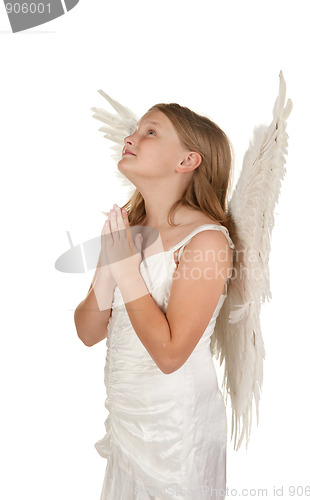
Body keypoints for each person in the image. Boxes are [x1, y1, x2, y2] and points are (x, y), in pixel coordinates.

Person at [74, 102, 238, 499]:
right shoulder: (127, 232)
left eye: (150, 132)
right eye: (136, 130)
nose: (130, 137)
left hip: (177, 428)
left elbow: (169, 355)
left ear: (188, 160)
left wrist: (127, 270)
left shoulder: (207, 241)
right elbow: (87, 331)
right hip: (130, 421)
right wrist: (110, 269)